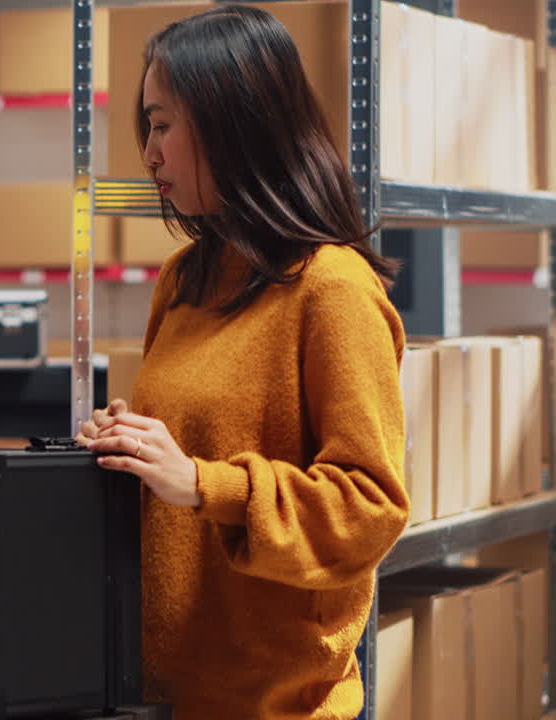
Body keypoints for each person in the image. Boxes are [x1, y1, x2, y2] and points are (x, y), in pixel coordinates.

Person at [76, 7, 408, 720]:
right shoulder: (186, 278)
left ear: (232, 121)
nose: (151, 153)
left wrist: (204, 484)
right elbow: (187, 453)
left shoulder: (333, 290)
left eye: (163, 125)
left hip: (274, 706)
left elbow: (369, 509)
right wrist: (128, 443)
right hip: (161, 697)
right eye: (148, 128)